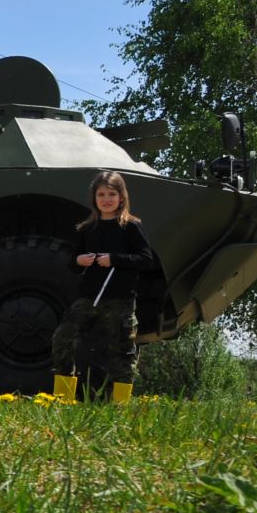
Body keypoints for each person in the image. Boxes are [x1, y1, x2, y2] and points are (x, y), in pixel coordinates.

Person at [49, 171, 156, 404]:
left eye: (111, 194)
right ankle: (64, 398)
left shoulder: (131, 226)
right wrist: (79, 261)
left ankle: (119, 405)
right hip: (88, 298)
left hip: (120, 299)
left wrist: (114, 259)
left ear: (121, 197)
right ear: (94, 198)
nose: (106, 199)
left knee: (122, 352)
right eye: (101, 194)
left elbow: (146, 259)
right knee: (62, 338)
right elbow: (73, 263)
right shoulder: (87, 228)